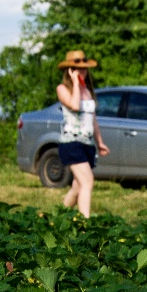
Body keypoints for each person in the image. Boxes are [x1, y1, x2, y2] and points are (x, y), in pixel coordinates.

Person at [55, 50, 109, 218]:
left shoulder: (88, 91)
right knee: (88, 182)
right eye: (78, 69)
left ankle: (59, 217)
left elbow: (92, 119)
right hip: (71, 142)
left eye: (85, 69)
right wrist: (76, 84)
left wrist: (99, 142)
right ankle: (85, 224)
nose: (82, 72)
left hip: (87, 143)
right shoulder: (63, 89)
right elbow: (75, 106)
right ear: (69, 70)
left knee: (78, 187)